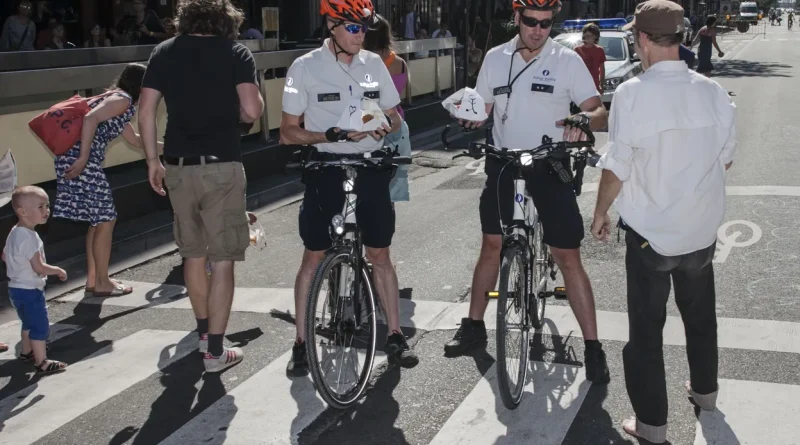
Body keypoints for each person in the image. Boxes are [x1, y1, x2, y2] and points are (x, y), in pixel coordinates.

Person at [590, 0, 737, 442]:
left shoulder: (633, 94)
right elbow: (725, 161)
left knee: (646, 333)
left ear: (642, 39)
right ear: (681, 37)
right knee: (700, 316)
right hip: (700, 231)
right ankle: (705, 393)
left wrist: (600, 213)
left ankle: (652, 426)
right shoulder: (711, 91)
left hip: (651, 235)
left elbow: (618, 167)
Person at [444, 0, 611, 384]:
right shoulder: (495, 57)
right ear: (517, 19)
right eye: (531, 22)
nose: (538, 30)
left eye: (546, 23)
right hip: (503, 163)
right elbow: (482, 108)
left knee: (567, 256)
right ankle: (473, 326)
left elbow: (598, 110)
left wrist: (581, 118)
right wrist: (468, 118)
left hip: (549, 163)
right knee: (491, 244)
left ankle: (593, 346)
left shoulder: (567, 60)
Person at [280, 0, 417, 376]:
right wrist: (330, 134)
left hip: (370, 168)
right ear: (331, 26)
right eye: (353, 28)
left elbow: (393, 116)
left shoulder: (374, 64)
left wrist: (381, 125)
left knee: (380, 255)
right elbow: (287, 132)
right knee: (313, 256)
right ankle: (301, 342)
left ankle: (393, 333)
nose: (361, 35)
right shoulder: (303, 68)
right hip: (325, 167)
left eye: (364, 29)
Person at [138, 0, 264, 373]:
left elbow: (145, 110)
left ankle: (202, 333)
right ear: (227, 21)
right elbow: (253, 111)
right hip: (221, 164)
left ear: (184, 19)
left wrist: (151, 161)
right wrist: (240, 110)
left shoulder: (163, 51)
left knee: (193, 254)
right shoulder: (236, 53)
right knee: (222, 258)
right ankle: (215, 351)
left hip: (177, 165)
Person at [53, 63, 154, 298]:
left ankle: (94, 279)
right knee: (107, 220)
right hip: (82, 161)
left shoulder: (116, 99)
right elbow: (90, 119)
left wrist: (172, 147)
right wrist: (84, 157)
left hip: (76, 159)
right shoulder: (123, 101)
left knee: (99, 220)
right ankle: (101, 282)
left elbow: (136, 140)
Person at [3, 186, 68, 375]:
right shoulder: (30, 237)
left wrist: (17, 268)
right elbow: (38, 267)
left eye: (47, 205)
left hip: (15, 288)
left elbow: (5, 256)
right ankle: (41, 362)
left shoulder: (14, 232)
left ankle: (26, 352)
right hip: (30, 289)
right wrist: (57, 270)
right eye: (40, 207)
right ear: (22, 212)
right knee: (40, 325)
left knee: (27, 321)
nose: (46, 210)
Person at [364, 14, 411, 203]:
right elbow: (402, 91)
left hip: (369, 125)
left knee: (366, 183)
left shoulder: (364, 63)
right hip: (396, 124)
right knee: (391, 184)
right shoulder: (400, 63)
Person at [574, 22, 606, 94]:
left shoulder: (600, 50)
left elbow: (602, 69)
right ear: (583, 36)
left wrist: (601, 84)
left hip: (594, 86)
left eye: (591, 36)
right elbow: (573, 69)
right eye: (587, 35)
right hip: (579, 86)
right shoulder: (577, 50)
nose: (589, 38)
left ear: (596, 37)